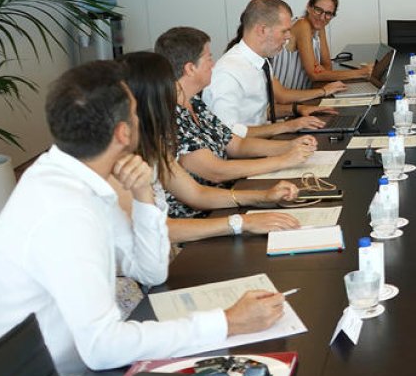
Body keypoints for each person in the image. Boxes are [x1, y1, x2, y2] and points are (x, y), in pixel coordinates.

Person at [0, 61, 286, 376]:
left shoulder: (77, 178)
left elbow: (150, 270)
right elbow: (103, 347)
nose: (140, 120)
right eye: (134, 114)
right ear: (122, 133)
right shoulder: (66, 211)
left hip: (77, 368)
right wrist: (228, 321)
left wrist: (144, 195)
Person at [121, 50, 302, 237]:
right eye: (171, 82)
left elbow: (196, 194)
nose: (177, 87)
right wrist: (241, 222)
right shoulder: (122, 160)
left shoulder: (152, 142)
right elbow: (160, 229)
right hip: (182, 241)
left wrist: (264, 197)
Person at [155, 27, 319, 216]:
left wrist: (290, 146)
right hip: (206, 214)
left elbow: (235, 144)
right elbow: (216, 171)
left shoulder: (194, 102)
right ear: (190, 68)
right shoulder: (170, 117)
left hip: (227, 198)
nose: (213, 64)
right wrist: (283, 160)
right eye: (208, 58)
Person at [205, 0, 346, 136]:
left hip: (262, 140)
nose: (289, 37)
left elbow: (258, 112)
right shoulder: (228, 73)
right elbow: (227, 136)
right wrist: (288, 126)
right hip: (247, 151)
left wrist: (297, 109)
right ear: (263, 30)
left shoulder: (261, 61)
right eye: (284, 31)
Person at [269, 0, 372, 90]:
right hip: (286, 99)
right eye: (318, 10)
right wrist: (361, 73)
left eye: (328, 13)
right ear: (309, 7)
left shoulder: (319, 27)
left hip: (304, 94)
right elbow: (315, 75)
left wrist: (322, 71)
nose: (322, 17)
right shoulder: (302, 25)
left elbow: (327, 66)